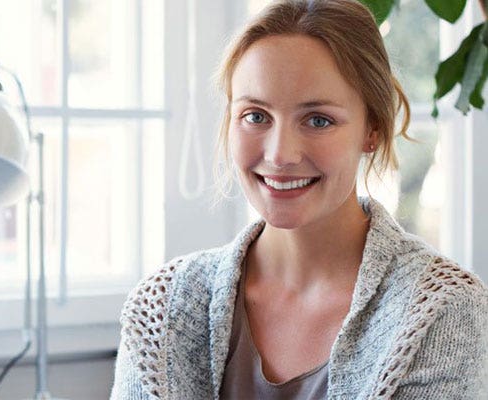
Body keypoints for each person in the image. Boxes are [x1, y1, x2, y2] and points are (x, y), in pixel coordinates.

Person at [110, 0, 488, 398]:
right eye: (256, 116)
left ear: (371, 130)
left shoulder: (442, 309)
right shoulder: (162, 306)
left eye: (318, 120)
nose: (280, 155)